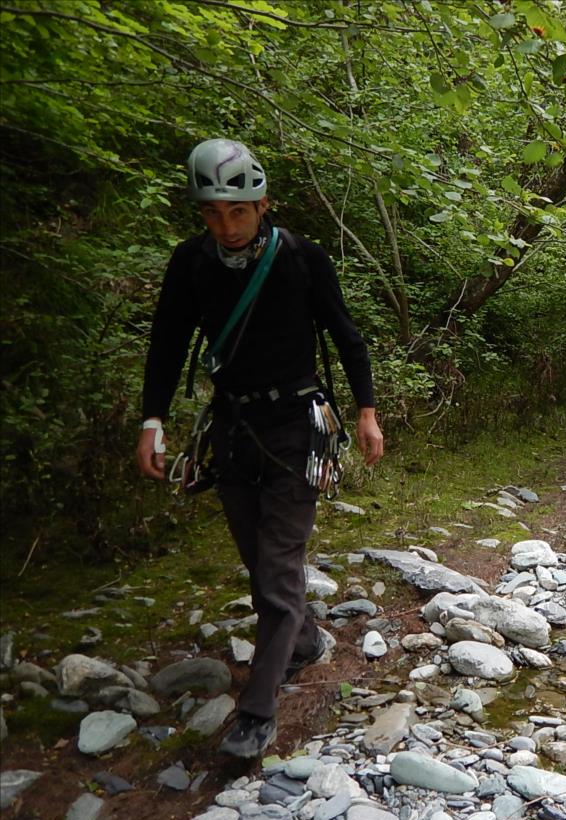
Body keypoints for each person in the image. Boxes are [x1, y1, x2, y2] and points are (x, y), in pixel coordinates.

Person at [136, 139, 383, 758]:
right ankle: (303, 640)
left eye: (238, 211)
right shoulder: (191, 263)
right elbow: (167, 342)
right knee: (257, 555)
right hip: (232, 427)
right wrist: (153, 420)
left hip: (298, 425)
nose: (227, 226)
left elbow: (347, 336)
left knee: (276, 566)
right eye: (213, 213)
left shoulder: (302, 258)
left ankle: (257, 711)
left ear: (262, 204)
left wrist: (367, 413)